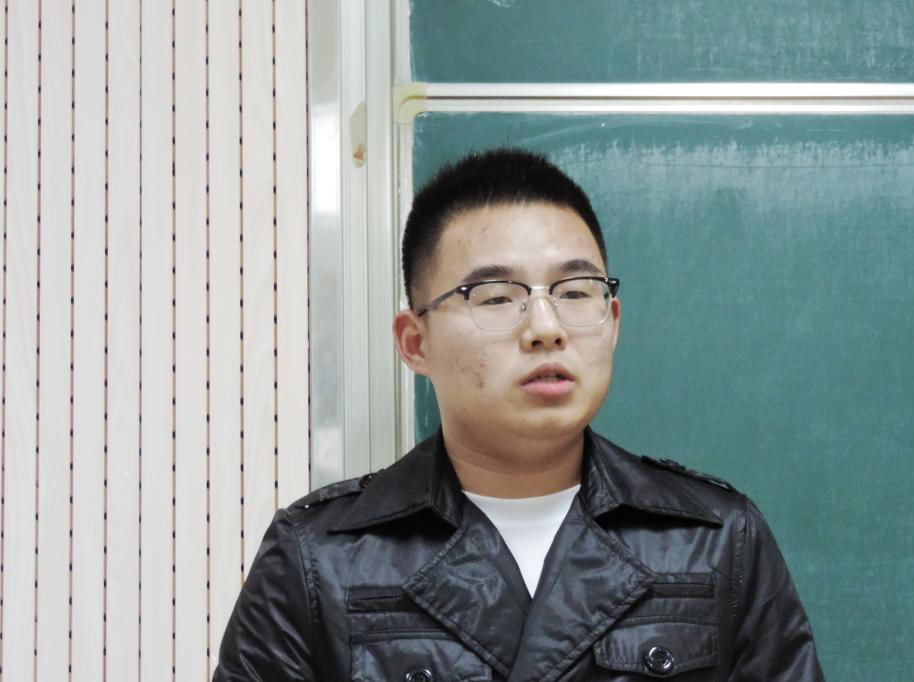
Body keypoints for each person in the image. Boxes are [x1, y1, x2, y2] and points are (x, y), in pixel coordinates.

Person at [213, 148, 825, 680]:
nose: (545, 327)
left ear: (612, 322)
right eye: (496, 297)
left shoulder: (714, 540)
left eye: (575, 292)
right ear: (415, 343)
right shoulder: (317, 559)